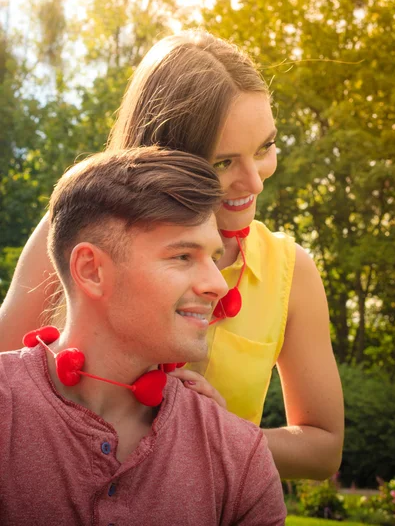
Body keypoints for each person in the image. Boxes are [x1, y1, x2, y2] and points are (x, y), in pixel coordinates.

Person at [0, 29, 344, 480]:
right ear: (165, 153)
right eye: (223, 163)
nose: (255, 182)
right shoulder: (73, 235)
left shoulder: (290, 271)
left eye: (264, 148)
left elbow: (324, 448)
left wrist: (223, 433)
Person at [0, 146, 286, 526]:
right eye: (183, 256)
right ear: (92, 270)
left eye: (214, 259)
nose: (217, 284)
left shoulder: (239, 455)